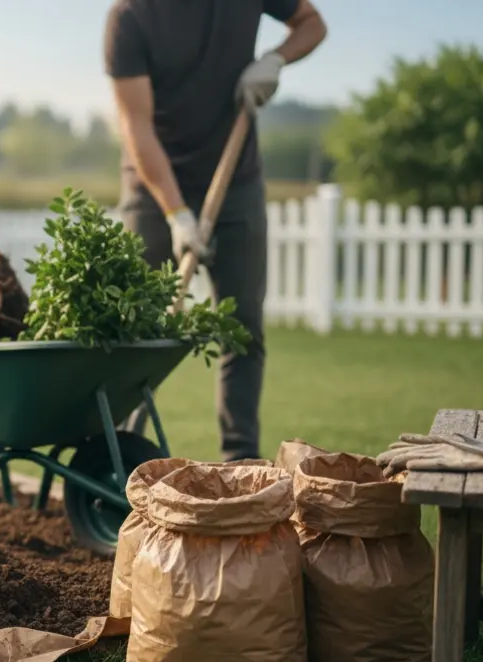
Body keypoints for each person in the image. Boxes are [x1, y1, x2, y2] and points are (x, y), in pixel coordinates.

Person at [104, 0, 327, 461]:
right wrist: (176, 214)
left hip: (236, 179)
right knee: (137, 329)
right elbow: (136, 127)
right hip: (153, 187)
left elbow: (311, 22)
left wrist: (274, 59)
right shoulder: (130, 17)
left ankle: (240, 462)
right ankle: (118, 457)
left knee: (242, 328)